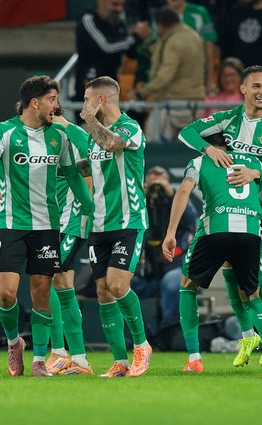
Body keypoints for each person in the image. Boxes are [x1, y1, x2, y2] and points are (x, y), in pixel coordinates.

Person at [0, 76, 92, 378]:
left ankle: (40, 361)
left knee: (42, 293)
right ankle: (13, 343)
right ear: (35, 102)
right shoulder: (5, 131)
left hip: (47, 227)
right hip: (11, 225)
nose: (57, 106)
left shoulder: (58, 136)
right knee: (6, 295)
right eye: (52, 100)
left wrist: (90, 209)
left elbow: (73, 175)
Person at [178, 65, 262, 368]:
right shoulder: (228, 118)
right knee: (230, 268)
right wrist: (208, 149)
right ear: (243, 89)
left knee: (260, 271)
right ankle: (248, 335)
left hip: (258, 197)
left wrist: (256, 173)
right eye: (256, 86)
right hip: (230, 199)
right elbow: (186, 132)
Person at [163, 131, 262, 374]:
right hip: (250, 233)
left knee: (187, 285)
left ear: (207, 144)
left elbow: (184, 191)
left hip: (216, 230)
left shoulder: (200, 161)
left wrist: (171, 232)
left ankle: (194, 358)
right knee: (253, 295)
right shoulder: (253, 162)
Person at [80, 76, 153, 377]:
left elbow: (111, 143)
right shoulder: (92, 137)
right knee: (102, 291)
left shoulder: (129, 127)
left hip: (128, 219)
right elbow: (88, 166)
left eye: (87, 100)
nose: (83, 106)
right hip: (99, 223)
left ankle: (142, 346)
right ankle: (120, 361)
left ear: (101, 100)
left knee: (118, 284)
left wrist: (89, 121)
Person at [44, 111, 94, 375]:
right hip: (53, 223)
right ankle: (79, 359)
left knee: (47, 278)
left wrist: (89, 213)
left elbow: (90, 176)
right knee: (62, 285)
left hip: (73, 221)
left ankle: (59, 351)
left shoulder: (74, 138)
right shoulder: (44, 140)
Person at [131, 166, 197, 330]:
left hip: (174, 265)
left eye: (161, 181)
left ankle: (169, 333)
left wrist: (172, 195)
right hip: (147, 271)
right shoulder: (141, 201)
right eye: (153, 182)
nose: (157, 187)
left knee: (171, 284)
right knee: (120, 286)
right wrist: (141, 197)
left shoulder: (177, 198)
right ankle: (142, 334)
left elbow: (191, 220)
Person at [129, 7, 206, 142]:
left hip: (172, 105)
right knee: (191, 149)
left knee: (153, 144)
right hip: (195, 104)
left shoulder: (173, 42)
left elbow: (165, 76)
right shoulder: (195, 36)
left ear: (160, 25)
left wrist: (141, 92)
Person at [74, 0, 147, 105]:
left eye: (121, 5)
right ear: (101, 2)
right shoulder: (88, 20)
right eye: (114, 4)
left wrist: (139, 37)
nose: (119, 9)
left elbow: (130, 52)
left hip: (112, 86)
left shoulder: (119, 23)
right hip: (90, 87)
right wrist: (135, 37)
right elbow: (107, 47)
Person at [163, 0, 220, 94]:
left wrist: (210, 81)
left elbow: (209, 50)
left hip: (196, 79)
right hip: (169, 79)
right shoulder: (161, 15)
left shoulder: (200, 13)